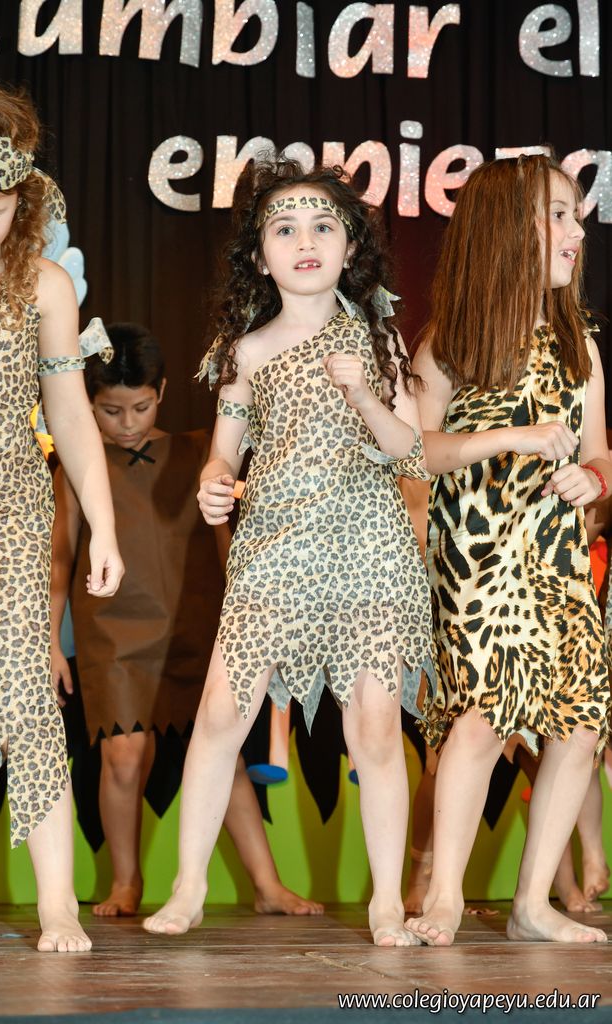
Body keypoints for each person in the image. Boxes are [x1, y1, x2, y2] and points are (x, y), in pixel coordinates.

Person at [143, 157, 435, 947]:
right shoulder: (244, 350)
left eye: (322, 226)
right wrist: (213, 483)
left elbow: (411, 452)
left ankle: (385, 902)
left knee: (375, 727)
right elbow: (223, 454)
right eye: (284, 229)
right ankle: (190, 886)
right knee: (220, 714)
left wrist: (363, 392)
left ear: (350, 247)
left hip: (369, 550)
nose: (305, 242)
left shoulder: (378, 338)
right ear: (259, 255)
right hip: (274, 547)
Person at [0, 79, 123, 953]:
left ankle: (57, 905)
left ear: (24, 199)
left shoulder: (43, 285)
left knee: (26, 701)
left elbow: (71, 416)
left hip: (6, 516)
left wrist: (104, 525)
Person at [50, 321, 323, 920]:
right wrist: (49, 642)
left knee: (220, 755)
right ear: (87, 403)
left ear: (163, 392)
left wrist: (250, 619)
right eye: (110, 411)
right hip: (113, 632)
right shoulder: (75, 467)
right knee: (124, 756)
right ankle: (126, 882)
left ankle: (267, 885)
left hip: (197, 623)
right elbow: (60, 559)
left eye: (140, 407)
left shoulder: (201, 451)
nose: (127, 424)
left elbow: (227, 545)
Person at [407, 154, 611, 946]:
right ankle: (445, 898)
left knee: (580, 726)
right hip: (478, 558)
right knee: (484, 717)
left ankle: (532, 905)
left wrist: (594, 479)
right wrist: (508, 439)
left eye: (576, 215)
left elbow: (599, 450)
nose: (576, 230)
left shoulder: (580, 344)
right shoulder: (449, 344)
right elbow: (414, 453)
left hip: (558, 560)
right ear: (503, 229)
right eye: (558, 213)